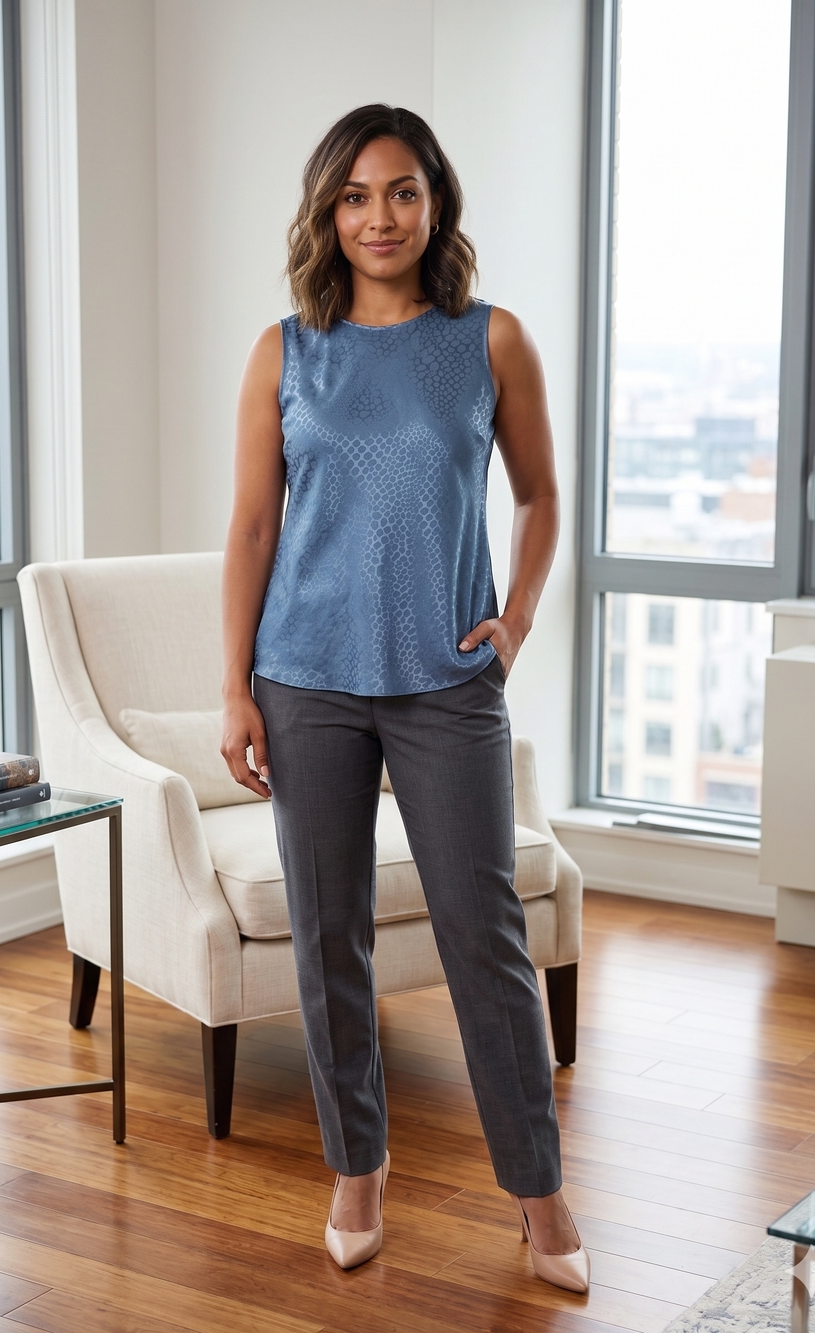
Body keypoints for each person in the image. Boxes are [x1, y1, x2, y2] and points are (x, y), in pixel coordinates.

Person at [221, 103, 588, 1292]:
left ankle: (539, 1195)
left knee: (484, 937)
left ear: (436, 205)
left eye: (402, 193)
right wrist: (233, 686)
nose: (379, 217)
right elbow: (254, 526)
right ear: (328, 214)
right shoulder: (285, 350)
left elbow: (538, 497)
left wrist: (515, 619)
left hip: (447, 680)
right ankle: (356, 1170)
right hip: (306, 679)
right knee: (329, 938)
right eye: (355, 196)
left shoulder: (489, 342)